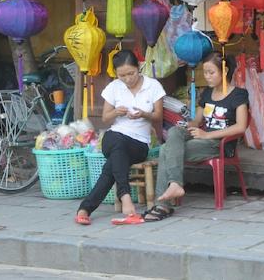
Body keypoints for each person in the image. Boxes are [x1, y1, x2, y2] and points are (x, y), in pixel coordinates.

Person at [145, 52, 248, 221]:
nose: (206, 77)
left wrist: (207, 135)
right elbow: (197, 121)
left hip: (218, 144)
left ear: (225, 70)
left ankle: (163, 204)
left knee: (165, 149)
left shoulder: (238, 95)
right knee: (174, 132)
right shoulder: (207, 94)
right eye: (205, 72)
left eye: (211, 72)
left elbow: (241, 126)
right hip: (202, 136)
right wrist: (187, 125)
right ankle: (175, 185)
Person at [75, 50, 164, 226]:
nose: (127, 79)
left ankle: (85, 209)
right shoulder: (114, 87)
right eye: (122, 75)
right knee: (116, 140)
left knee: (112, 165)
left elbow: (158, 116)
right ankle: (125, 198)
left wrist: (144, 115)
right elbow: (105, 119)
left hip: (139, 143)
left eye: (131, 73)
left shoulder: (153, 86)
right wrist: (116, 111)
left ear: (138, 68)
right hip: (114, 136)